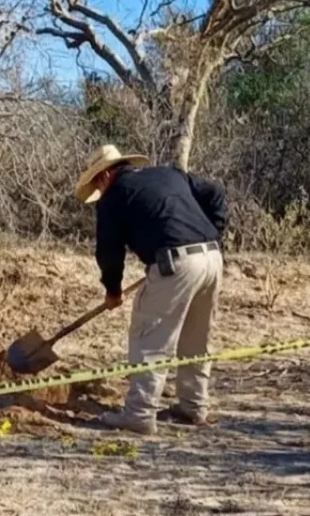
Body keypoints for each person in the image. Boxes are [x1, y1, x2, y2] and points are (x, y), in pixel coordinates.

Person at [74, 144, 227, 435]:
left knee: (151, 336)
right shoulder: (170, 174)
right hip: (212, 259)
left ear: (105, 174)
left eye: (96, 183)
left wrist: (112, 291)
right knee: (197, 337)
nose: (98, 190)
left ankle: (139, 413)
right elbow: (215, 192)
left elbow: (108, 252)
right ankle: (193, 406)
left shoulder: (113, 197)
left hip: (176, 264)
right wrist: (213, 232)